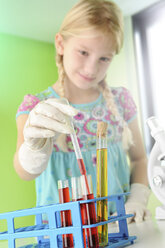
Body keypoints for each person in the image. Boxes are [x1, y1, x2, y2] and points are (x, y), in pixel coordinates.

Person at [14, 0, 151, 224]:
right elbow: (24, 172)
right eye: (83, 52)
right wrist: (34, 148)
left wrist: (137, 199)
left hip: (119, 228)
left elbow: (139, 159)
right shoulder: (37, 108)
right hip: (62, 234)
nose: (91, 69)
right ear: (60, 44)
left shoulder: (121, 101)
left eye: (104, 58)